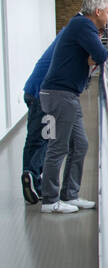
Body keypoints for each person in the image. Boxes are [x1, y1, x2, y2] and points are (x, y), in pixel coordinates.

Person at [39, 0, 108, 214]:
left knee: (80, 144)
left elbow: (93, 55)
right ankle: (49, 200)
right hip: (60, 95)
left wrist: (106, 53)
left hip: (67, 95)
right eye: (107, 13)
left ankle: (70, 194)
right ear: (97, 12)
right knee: (58, 147)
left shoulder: (79, 25)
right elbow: (98, 53)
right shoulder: (83, 25)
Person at [19, 29, 73, 204]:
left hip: (36, 92)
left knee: (41, 138)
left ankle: (33, 177)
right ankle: (32, 175)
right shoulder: (71, 39)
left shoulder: (66, 37)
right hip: (40, 94)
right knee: (42, 139)